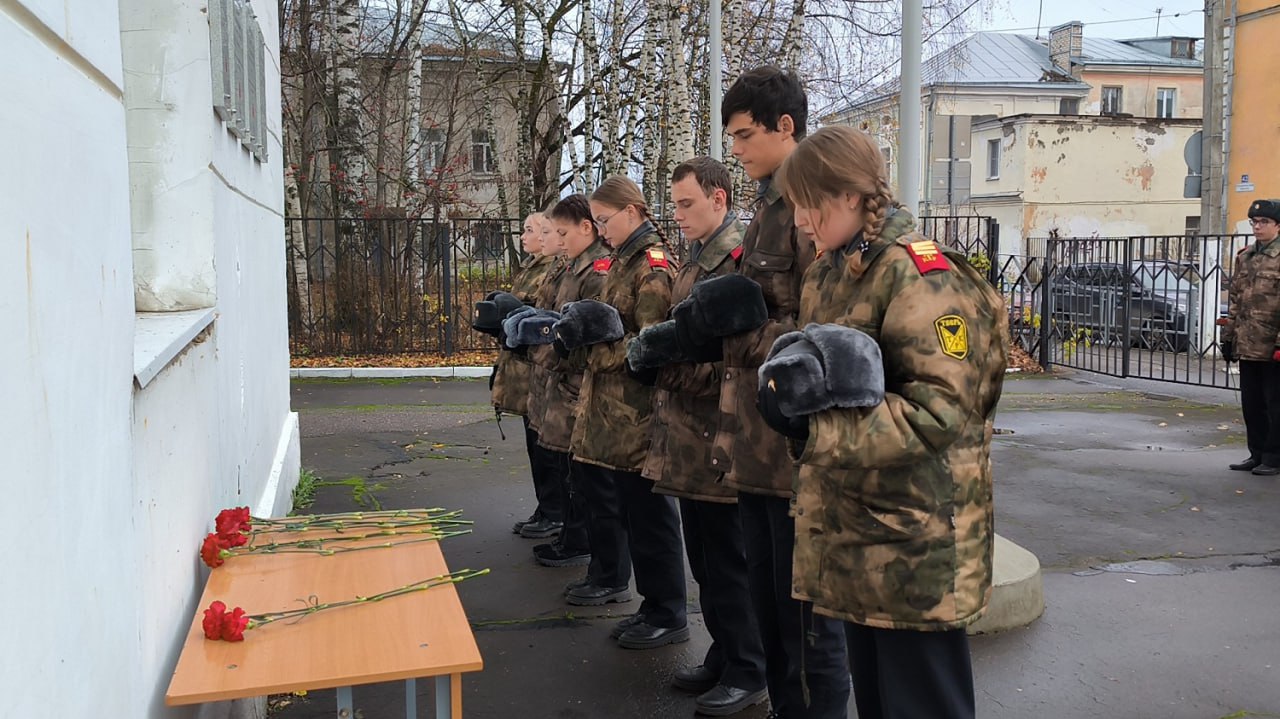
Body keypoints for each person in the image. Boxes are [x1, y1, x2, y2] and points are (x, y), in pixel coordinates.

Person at [759, 124, 1009, 719]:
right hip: (858, 533)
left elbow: (937, 414)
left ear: (848, 195)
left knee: (921, 703)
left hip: (913, 539)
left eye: (807, 203)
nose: (798, 220)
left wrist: (812, 431)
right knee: (876, 700)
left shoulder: (922, 277)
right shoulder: (834, 269)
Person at [688, 66, 850, 719]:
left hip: (794, 452)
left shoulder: (814, 207)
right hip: (756, 446)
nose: (737, 149)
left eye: (746, 134)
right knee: (768, 606)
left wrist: (750, 327)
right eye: (732, 136)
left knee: (805, 623)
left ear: (787, 127)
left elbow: (829, 328)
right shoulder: (769, 207)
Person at [627, 157, 768, 714]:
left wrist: (665, 365)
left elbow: (738, 359)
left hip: (720, 437)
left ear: (719, 198)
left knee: (729, 560)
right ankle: (725, 653)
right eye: (675, 203)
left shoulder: (737, 262)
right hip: (689, 436)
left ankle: (749, 667)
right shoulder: (697, 259)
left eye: (687, 204)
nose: (677, 214)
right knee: (706, 561)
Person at [553, 175, 689, 649]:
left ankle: (669, 612)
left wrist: (596, 350)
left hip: (640, 414)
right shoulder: (625, 261)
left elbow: (652, 346)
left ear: (632, 212)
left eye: (605, 220)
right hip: (616, 412)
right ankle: (652, 605)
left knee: (651, 517)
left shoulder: (651, 266)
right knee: (631, 512)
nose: (600, 228)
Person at [507, 197, 610, 571]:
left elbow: (582, 332)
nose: (559, 240)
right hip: (553, 381)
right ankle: (571, 532)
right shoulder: (569, 267)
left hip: (573, 384)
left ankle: (579, 539)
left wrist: (540, 348)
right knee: (563, 465)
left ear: (587, 227)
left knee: (581, 475)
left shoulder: (596, 270)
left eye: (560, 232)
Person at [488, 212, 566, 539]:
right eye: (534, 230)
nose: (527, 235)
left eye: (534, 230)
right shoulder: (536, 266)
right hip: (524, 371)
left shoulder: (554, 268)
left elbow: (542, 315)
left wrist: (513, 312)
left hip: (539, 370)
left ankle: (554, 511)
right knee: (536, 446)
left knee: (547, 449)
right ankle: (546, 507)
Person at [1221, 198, 1280, 476]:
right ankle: (1256, 453)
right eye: (1254, 222)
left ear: (1278, 226)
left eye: (1264, 222)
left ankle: (1274, 457)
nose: (1257, 226)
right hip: (1248, 343)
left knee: (1275, 405)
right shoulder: (1245, 257)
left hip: (1273, 345)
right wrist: (1228, 336)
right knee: (1251, 404)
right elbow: (1236, 300)